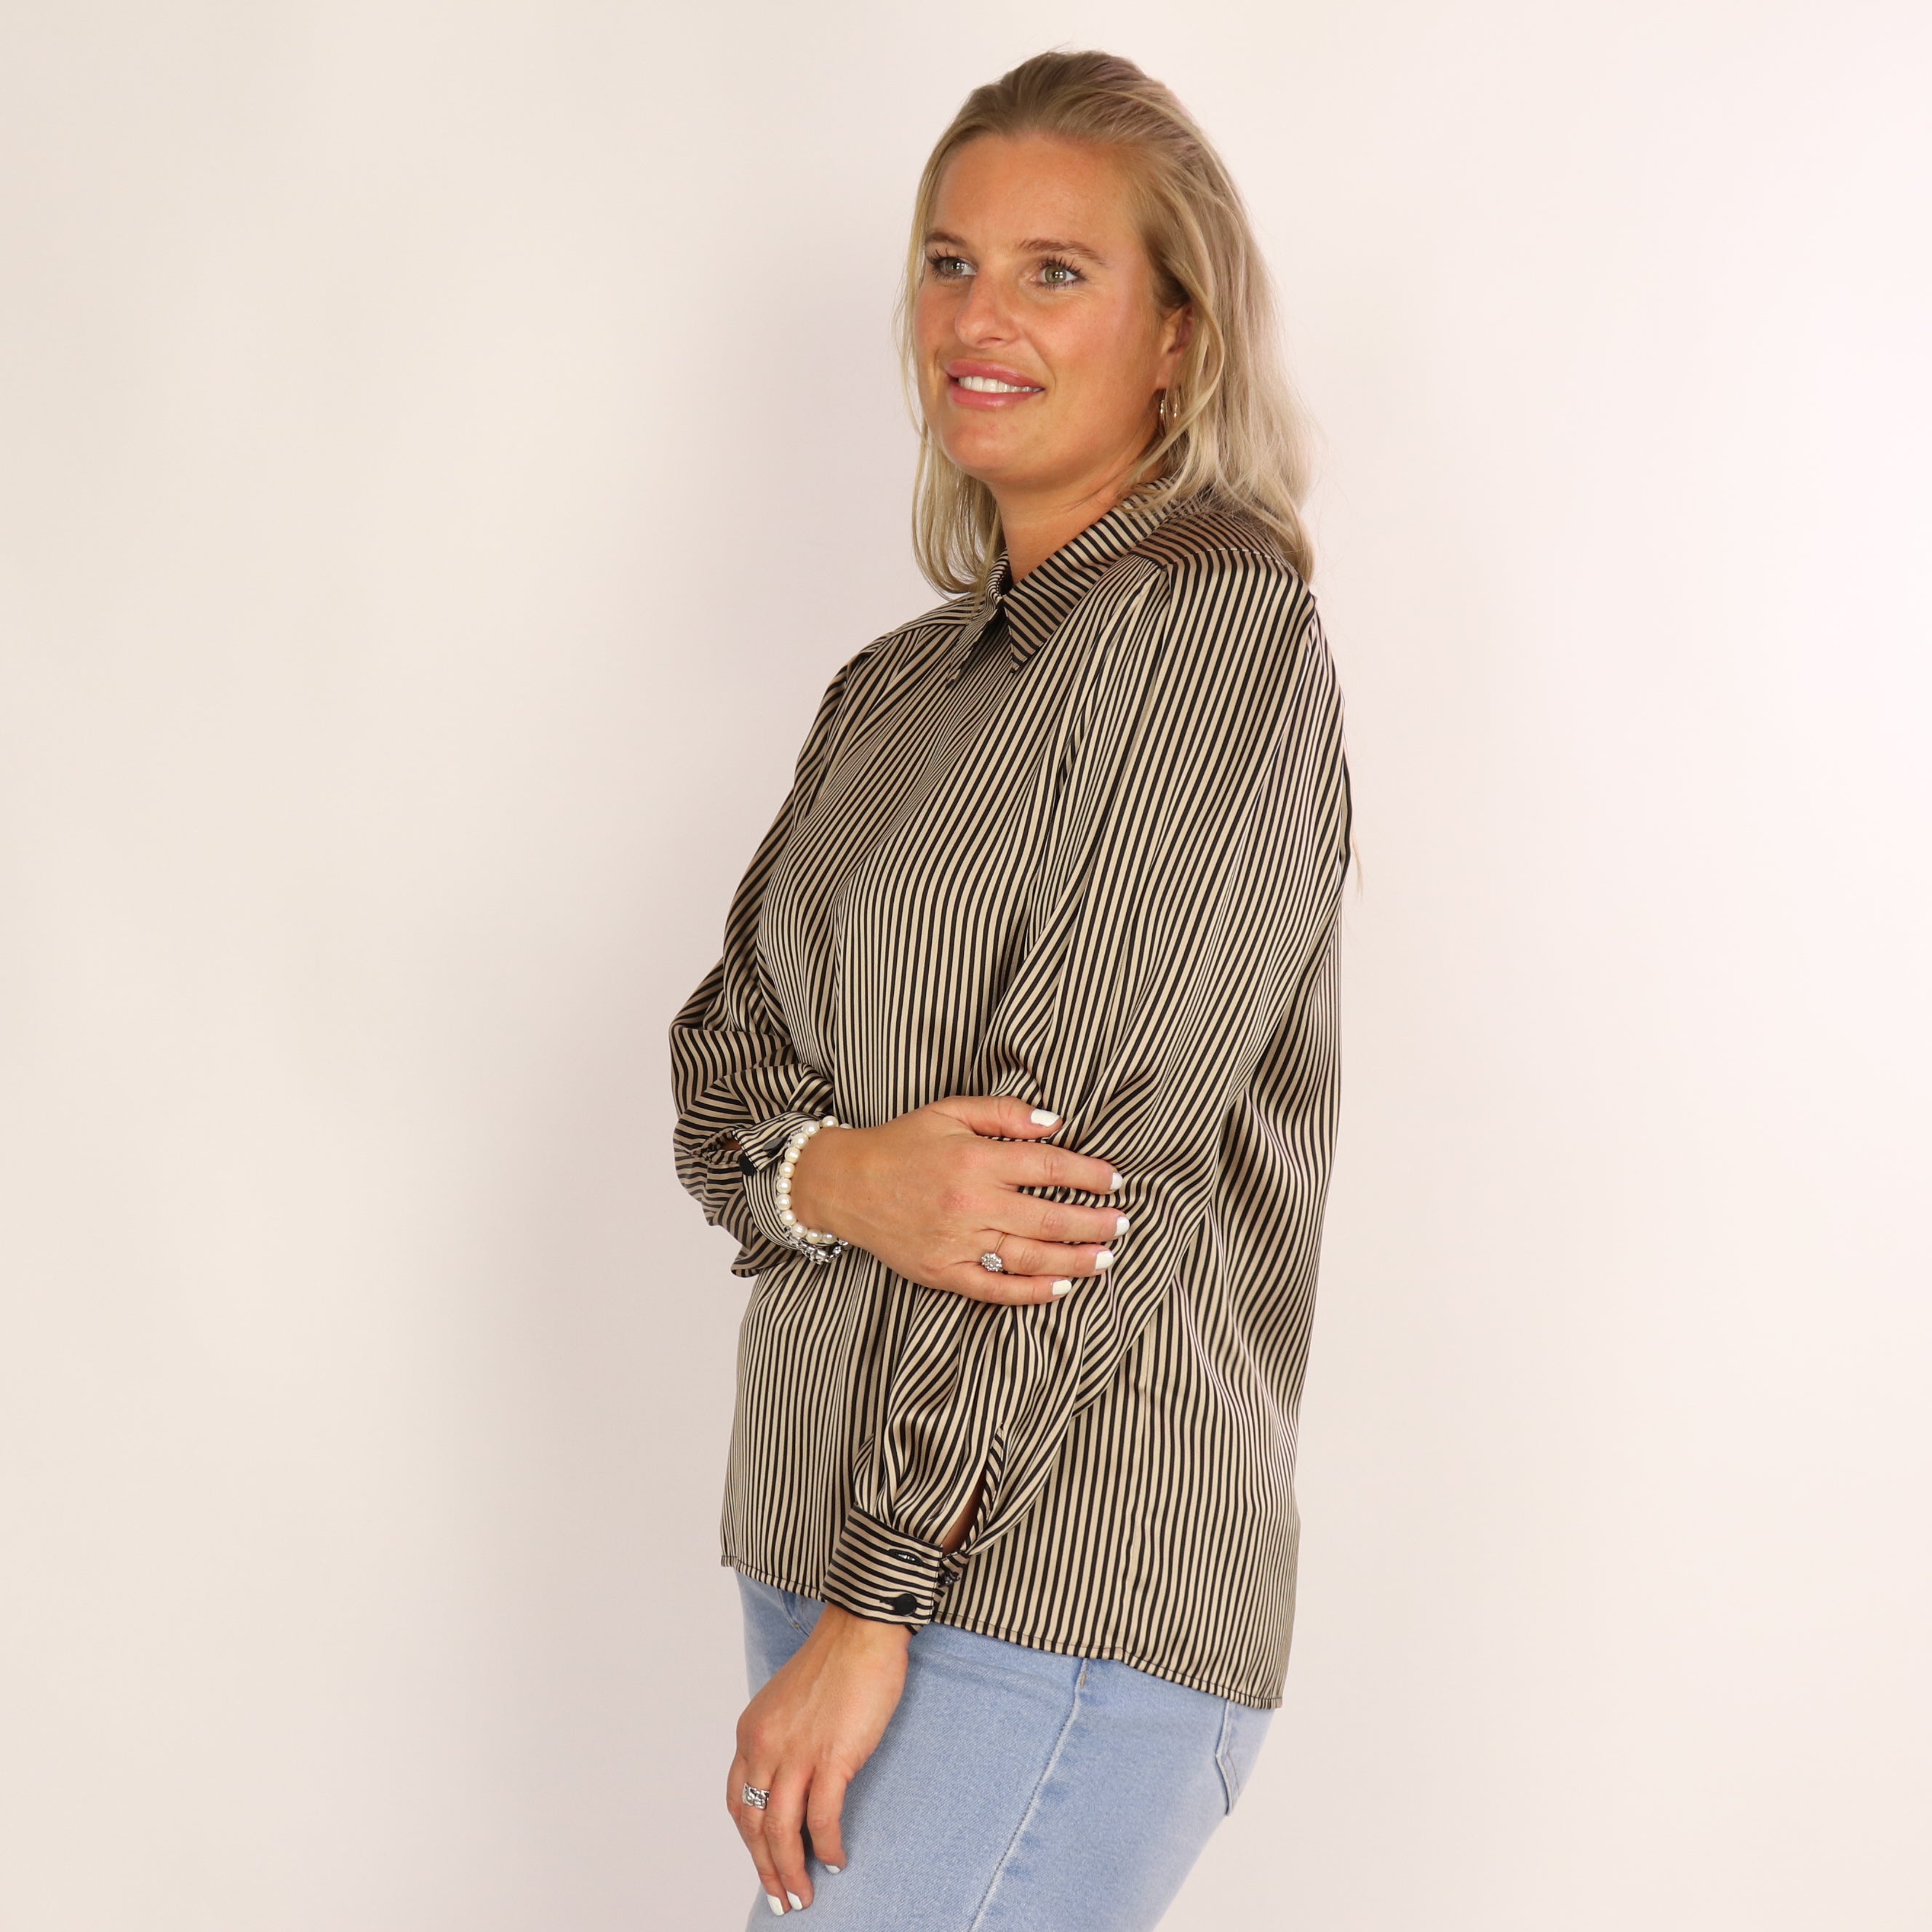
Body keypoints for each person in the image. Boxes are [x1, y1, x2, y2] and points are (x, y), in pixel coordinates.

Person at [670, 48, 1352, 1931]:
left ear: (1178, 335)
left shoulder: (1216, 624)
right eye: (951, 263)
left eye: (1056, 272)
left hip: (1046, 1584)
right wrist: (838, 1176)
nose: (980, 317)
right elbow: (717, 1064)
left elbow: (1070, 1184)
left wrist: (878, 1595)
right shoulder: (897, 687)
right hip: (829, 1548)